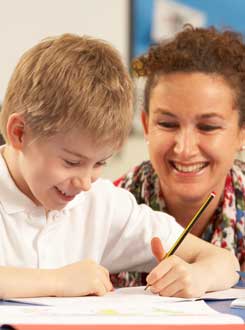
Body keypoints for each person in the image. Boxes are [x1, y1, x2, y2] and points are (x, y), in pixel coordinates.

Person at [0, 33, 239, 299]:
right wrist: (55, 282)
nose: (85, 182)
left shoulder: (102, 203)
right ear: (20, 133)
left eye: (99, 163)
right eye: (71, 162)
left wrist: (198, 275)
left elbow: (223, 261)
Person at [113, 25, 245, 287]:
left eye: (208, 127)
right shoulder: (107, 208)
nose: (184, 148)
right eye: (168, 124)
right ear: (147, 125)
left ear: (242, 134)